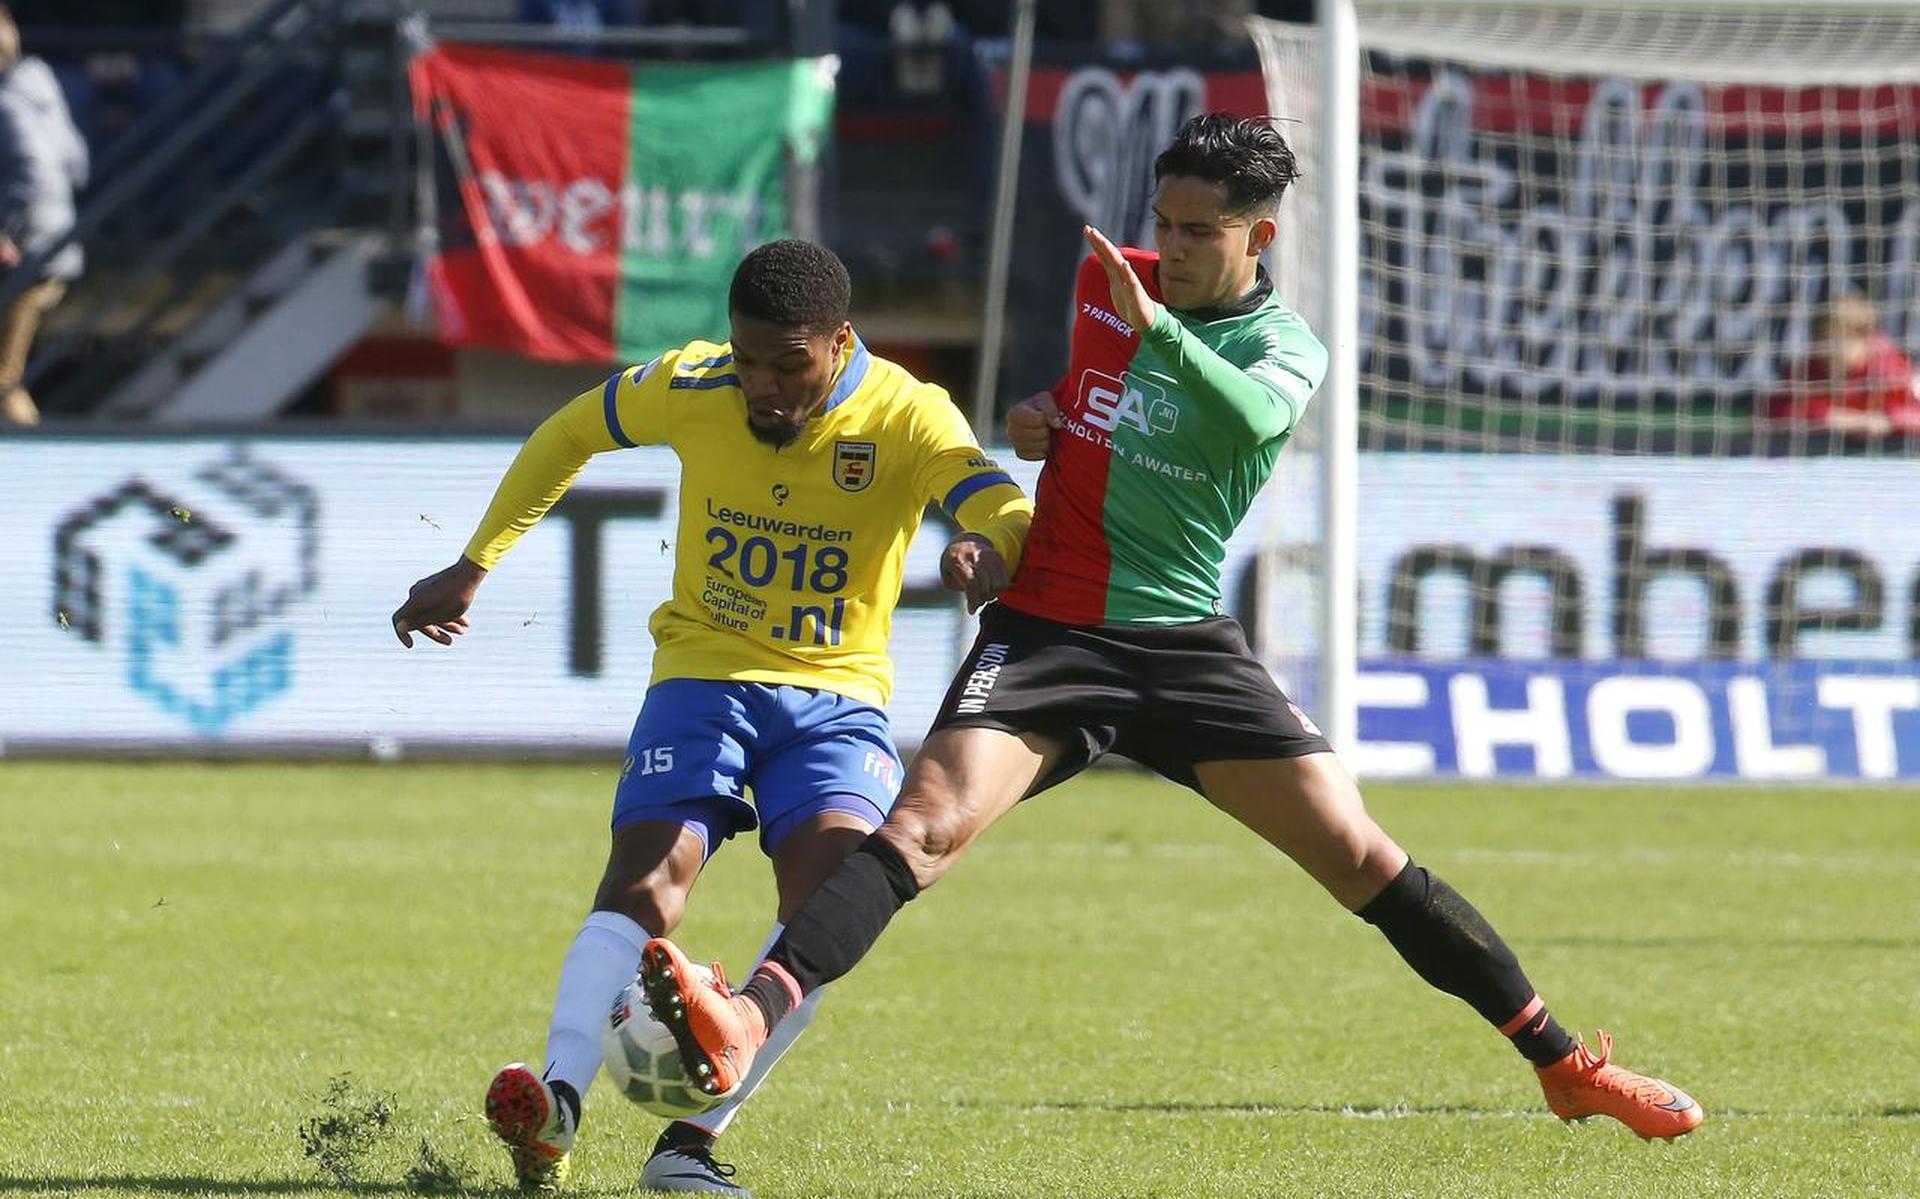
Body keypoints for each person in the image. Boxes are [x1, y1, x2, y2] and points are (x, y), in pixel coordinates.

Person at [634, 114, 1706, 1146]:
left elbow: (1249, 416)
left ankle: (1567, 1065)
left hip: (1181, 643)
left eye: (1201, 231)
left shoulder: (1285, 350)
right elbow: (1082, 402)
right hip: (1049, 631)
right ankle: (747, 1015)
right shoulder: (1109, 285)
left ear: (1259, 235)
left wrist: (1157, 329)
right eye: (1165, 222)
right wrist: (1041, 416)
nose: (1174, 247)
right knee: (924, 827)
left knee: (1360, 854)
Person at [390, 239, 1030, 1194]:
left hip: (838, 697)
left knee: (827, 905)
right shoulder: (694, 383)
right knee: (649, 876)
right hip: (704, 672)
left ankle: (687, 1144)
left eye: (787, 364)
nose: (760, 385)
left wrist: (989, 544)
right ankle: (557, 1102)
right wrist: (475, 562)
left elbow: (1002, 502)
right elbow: (570, 430)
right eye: (747, 358)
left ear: (840, 342)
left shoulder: (907, 412)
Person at [0, 2, 87, 427]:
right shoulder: (41, 89)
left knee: (3, 378)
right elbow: (77, 163)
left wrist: (6, 228)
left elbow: (33, 172)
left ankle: (33, 453)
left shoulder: (6, 102)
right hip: (54, 246)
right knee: (6, 375)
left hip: (30, 255)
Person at [1766, 292, 1920, 438]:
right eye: (1822, 339)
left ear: (1864, 338)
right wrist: (1831, 417)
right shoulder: (1807, 370)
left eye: (1836, 341)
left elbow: (1914, 415)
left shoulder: (1891, 370)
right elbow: (1776, 410)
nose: (1826, 349)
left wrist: (1887, 419)